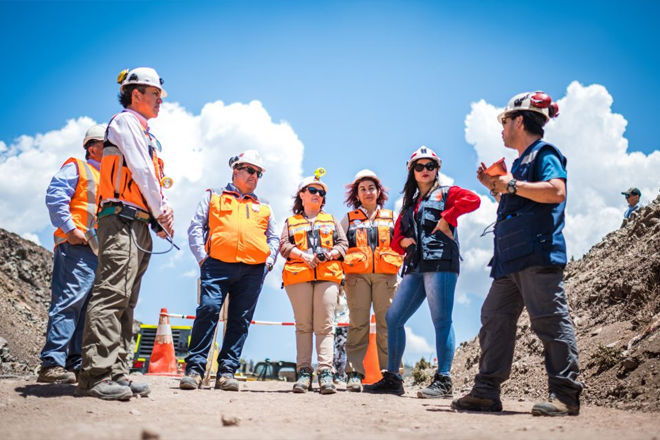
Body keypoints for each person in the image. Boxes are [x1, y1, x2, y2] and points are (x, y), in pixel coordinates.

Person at [452, 91, 583, 417]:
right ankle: (486, 392)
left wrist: (509, 185)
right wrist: (494, 186)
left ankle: (565, 395)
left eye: (505, 120)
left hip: (537, 254)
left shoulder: (544, 153)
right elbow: (519, 203)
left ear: (520, 121)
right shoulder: (519, 165)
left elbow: (556, 191)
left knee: (549, 322)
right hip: (510, 259)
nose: (502, 127)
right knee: (494, 316)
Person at [76, 67, 174, 401]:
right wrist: (162, 213)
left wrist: (157, 216)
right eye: (156, 94)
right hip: (119, 220)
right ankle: (96, 374)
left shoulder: (145, 133)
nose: (160, 100)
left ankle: (117, 370)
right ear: (137, 94)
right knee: (111, 293)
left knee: (127, 300)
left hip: (137, 221)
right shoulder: (125, 122)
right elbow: (143, 171)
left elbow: (149, 179)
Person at [363, 147, 480, 397]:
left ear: (437, 168)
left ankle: (444, 380)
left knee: (441, 320)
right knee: (393, 318)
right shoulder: (410, 205)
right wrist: (404, 242)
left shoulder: (448, 193)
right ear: (412, 171)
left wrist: (448, 217)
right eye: (420, 166)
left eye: (430, 166)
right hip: (415, 267)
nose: (425, 170)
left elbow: (474, 200)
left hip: (441, 263)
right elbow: (396, 239)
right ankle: (393, 377)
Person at [180, 150, 279, 392]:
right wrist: (203, 259)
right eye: (250, 170)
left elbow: (273, 237)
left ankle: (226, 372)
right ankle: (195, 369)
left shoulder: (264, 205)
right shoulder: (213, 195)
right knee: (209, 310)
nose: (254, 176)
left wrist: (267, 263)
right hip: (216, 265)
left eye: (258, 173)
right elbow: (196, 227)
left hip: (253, 270)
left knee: (239, 320)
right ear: (235, 171)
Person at [38, 124, 105, 384]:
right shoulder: (78, 167)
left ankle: (75, 363)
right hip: (76, 246)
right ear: (92, 147)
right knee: (69, 303)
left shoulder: (111, 178)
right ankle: (52, 362)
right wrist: (70, 229)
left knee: (89, 309)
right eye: (106, 144)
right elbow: (55, 197)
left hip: (99, 251)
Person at [279, 169, 348, 394]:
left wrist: (329, 254)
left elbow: (343, 244)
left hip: (327, 276)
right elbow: (284, 246)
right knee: (303, 326)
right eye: (313, 190)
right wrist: (303, 256)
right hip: (299, 276)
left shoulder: (332, 220)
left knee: (325, 326)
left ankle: (325, 372)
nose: (317, 194)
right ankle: (304, 372)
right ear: (302, 194)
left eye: (321, 192)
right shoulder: (291, 221)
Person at [340, 169, 402, 392]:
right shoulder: (348, 220)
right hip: (356, 278)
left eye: (371, 188)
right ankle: (354, 373)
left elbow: (402, 243)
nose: (367, 192)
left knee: (389, 324)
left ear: (379, 192)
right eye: (362, 189)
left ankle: (392, 374)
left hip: (386, 277)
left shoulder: (392, 217)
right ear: (356, 194)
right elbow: (340, 248)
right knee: (358, 324)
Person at [332, 287, 349, 384]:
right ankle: (337, 375)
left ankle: (342, 374)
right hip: (338, 326)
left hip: (346, 326)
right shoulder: (336, 295)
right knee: (338, 351)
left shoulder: (346, 294)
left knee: (344, 351)